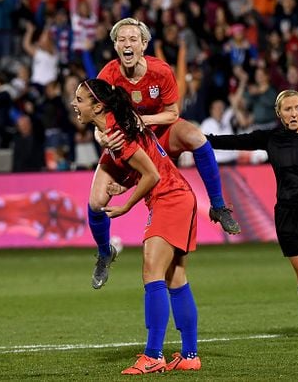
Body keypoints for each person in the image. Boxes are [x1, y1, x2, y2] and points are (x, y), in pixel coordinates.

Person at [71, 78, 201, 373]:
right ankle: (190, 356)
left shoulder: (118, 133)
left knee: (151, 272)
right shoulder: (117, 127)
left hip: (169, 197)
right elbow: (146, 163)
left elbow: (152, 175)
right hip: (179, 196)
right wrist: (125, 183)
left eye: (79, 99)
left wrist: (127, 204)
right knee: (176, 277)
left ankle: (154, 355)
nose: (74, 104)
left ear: (98, 106)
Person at [206, 89, 298, 340]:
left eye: (297, 108)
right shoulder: (271, 138)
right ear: (279, 113)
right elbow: (236, 141)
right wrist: (202, 139)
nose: (293, 113)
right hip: (289, 214)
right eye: (288, 109)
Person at [95, 17, 240, 235]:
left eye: (133, 39)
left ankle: (218, 206)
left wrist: (145, 121)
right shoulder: (107, 76)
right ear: (115, 45)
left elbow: (173, 113)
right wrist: (100, 137)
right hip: (128, 140)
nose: (127, 44)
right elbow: (96, 117)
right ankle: (105, 254)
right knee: (95, 202)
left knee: (197, 138)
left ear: (143, 45)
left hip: (161, 132)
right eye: (121, 39)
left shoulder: (160, 71)